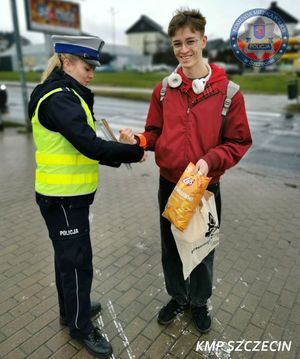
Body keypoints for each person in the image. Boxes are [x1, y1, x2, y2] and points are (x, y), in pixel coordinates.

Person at [119, 9, 252, 334]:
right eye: (177, 43)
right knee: (171, 248)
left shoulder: (228, 93)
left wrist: (210, 160)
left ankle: (199, 302)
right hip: (170, 185)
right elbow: (154, 133)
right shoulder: (164, 90)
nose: (184, 49)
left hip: (204, 187)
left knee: (202, 250)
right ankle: (178, 297)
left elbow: (238, 141)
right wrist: (138, 139)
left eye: (190, 41)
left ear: (203, 40)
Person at [28, 35, 144, 358]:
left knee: (67, 258)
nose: (92, 72)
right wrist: (133, 152)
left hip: (68, 196)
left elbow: (86, 140)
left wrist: (119, 147)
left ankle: (70, 310)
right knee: (78, 262)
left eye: (94, 66)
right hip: (62, 198)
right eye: (86, 65)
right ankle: (80, 327)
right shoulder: (58, 99)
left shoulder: (67, 94)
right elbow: (89, 145)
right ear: (66, 62)